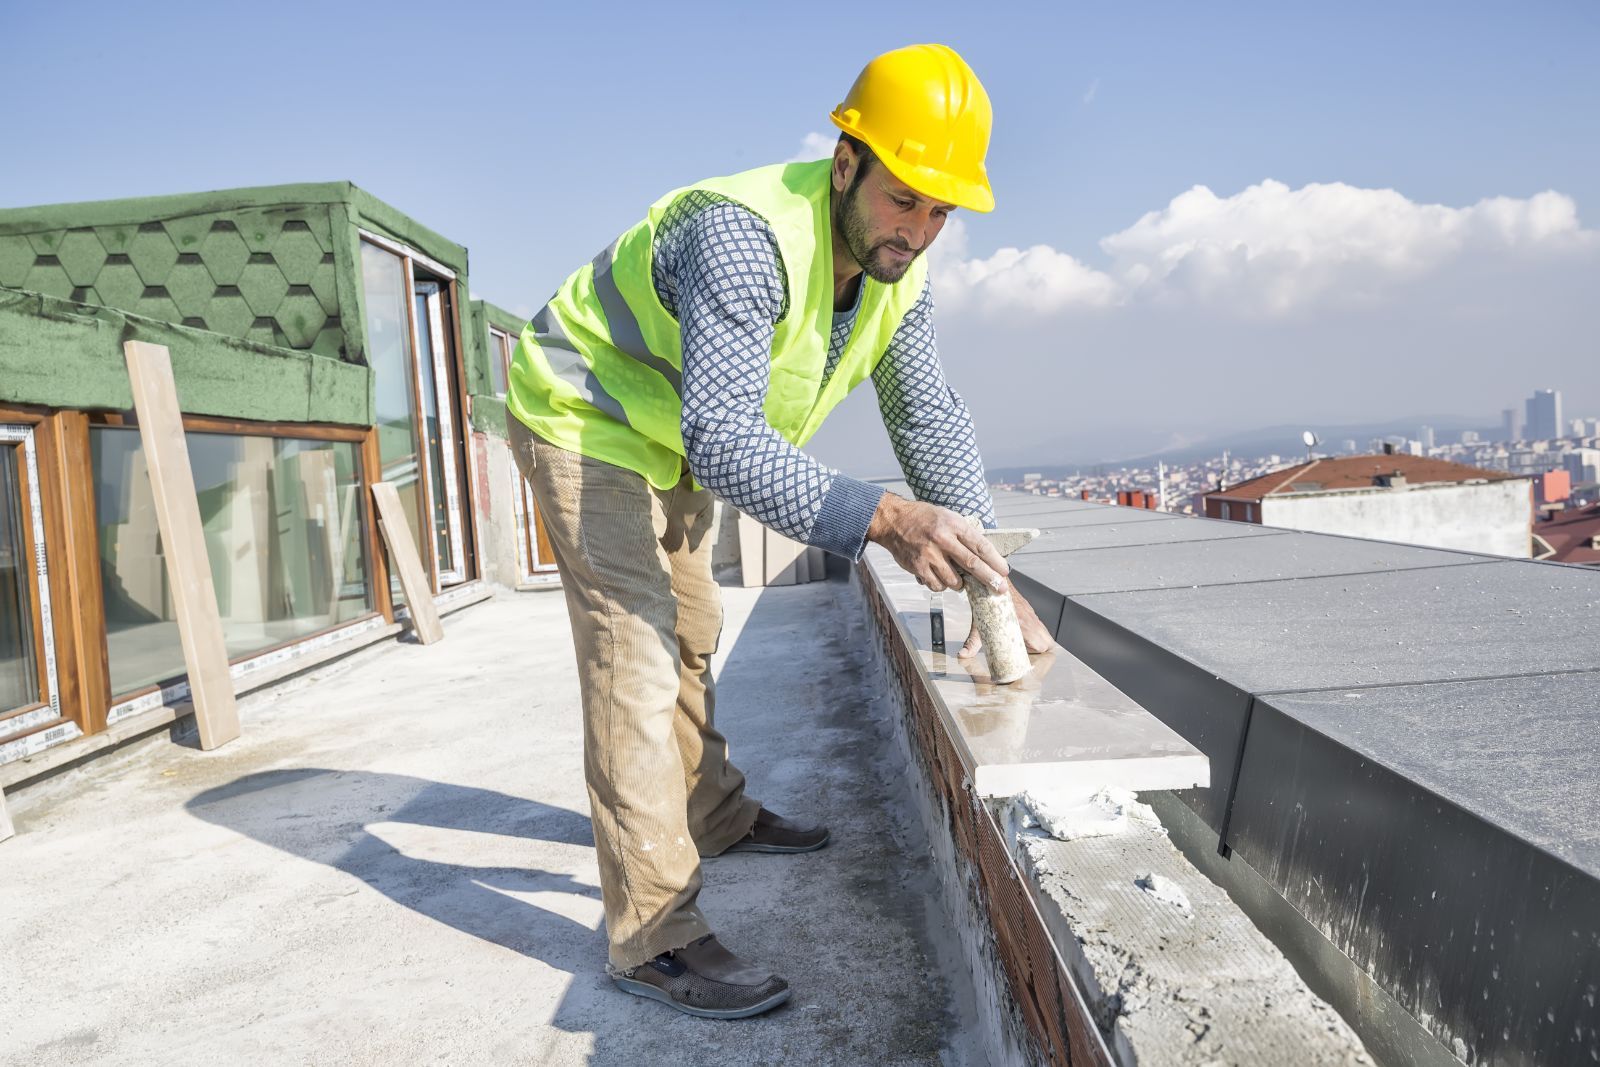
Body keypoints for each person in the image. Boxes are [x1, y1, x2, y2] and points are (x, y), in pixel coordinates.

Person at [504, 42, 1051, 1019]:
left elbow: (927, 418)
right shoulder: (743, 238)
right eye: (902, 198)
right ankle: (654, 933)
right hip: (582, 414)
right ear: (847, 160)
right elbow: (724, 436)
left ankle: (712, 812)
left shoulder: (898, 280)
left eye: (939, 209)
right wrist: (880, 516)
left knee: (692, 623)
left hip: (661, 436)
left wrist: (990, 575)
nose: (918, 230)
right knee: (635, 652)